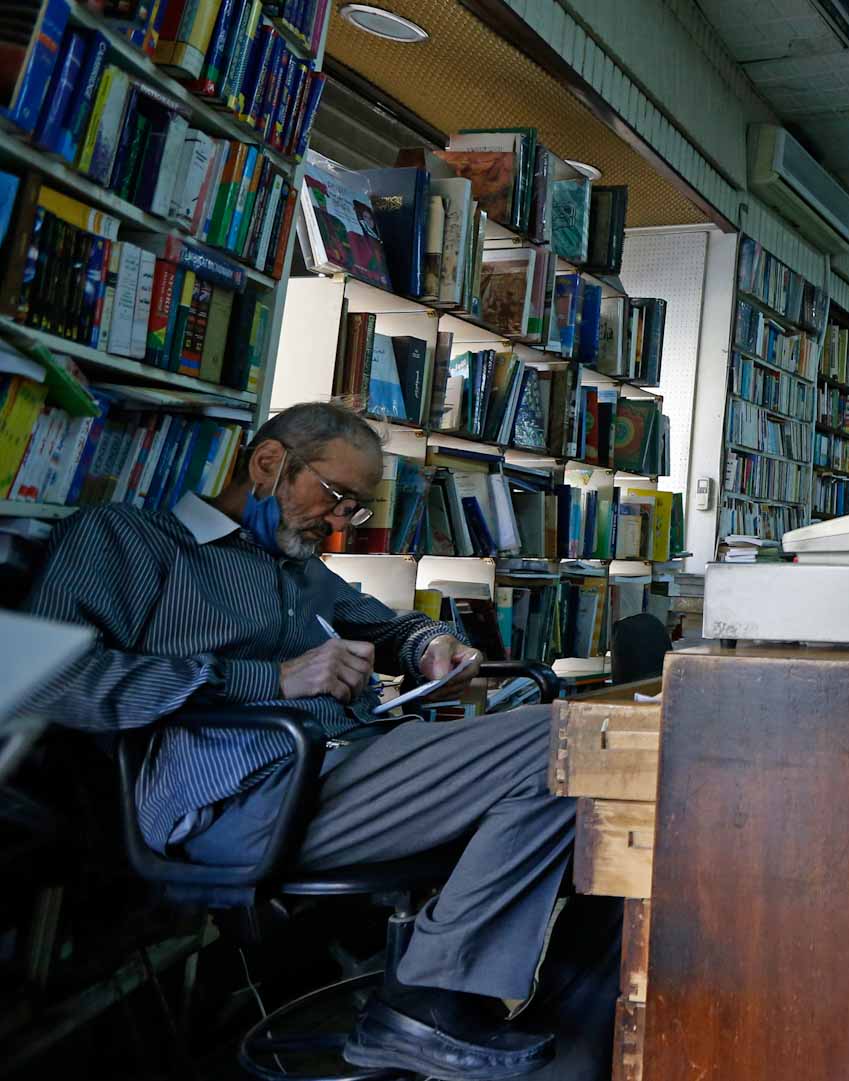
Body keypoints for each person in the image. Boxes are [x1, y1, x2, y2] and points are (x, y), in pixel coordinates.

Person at [25, 401, 607, 1081]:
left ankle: (561, 1040)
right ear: (270, 463)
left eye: (354, 510)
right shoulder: (128, 539)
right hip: (236, 792)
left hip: (334, 769)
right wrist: (268, 677)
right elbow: (51, 678)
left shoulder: (296, 567)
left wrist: (431, 645)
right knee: (569, 741)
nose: (339, 524)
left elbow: (388, 626)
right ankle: (423, 1002)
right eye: (337, 498)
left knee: (600, 786)